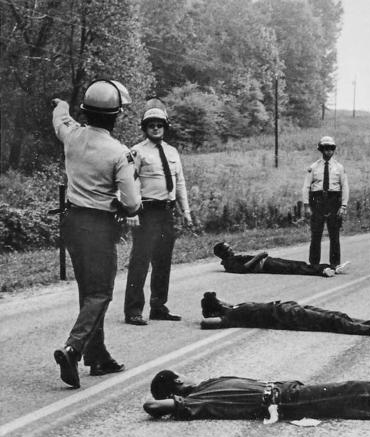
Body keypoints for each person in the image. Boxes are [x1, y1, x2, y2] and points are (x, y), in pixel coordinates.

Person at [51, 80, 141, 388]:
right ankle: (73, 348)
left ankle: (98, 356)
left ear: (86, 112)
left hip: (72, 223)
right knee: (101, 292)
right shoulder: (120, 153)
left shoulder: (71, 136)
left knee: (88, 291)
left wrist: (61, 106)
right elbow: (131, 204)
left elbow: (60, 121)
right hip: (100, 227)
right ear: (116, 116)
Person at [143, 369, 370, 424]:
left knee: (357, 409)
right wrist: (170, 402)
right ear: (177, 386)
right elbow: (152, 405)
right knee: (357, 390)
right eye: (179, 378)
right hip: (284, 400)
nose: (187, 377)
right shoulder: (196, 400)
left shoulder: (209, 384)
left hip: (288, 393)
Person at [123, 99, 192, 325]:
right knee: (140, 261)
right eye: (151, 125)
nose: (155, 128)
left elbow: (179, 183)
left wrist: (186, 211)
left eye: (159, 124)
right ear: (145, 128)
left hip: (166, 212)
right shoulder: (137, 152)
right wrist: (130, 211)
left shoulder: (172, 152)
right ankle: (133, 310)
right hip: (146, 211)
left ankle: (158, 306)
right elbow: (129, 183)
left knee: (163, 261)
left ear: (165, 127)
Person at [199, 291, 370, 337]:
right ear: (216, 309)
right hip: (287, 317)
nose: (222, 300)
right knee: (333, 321)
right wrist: (211, 316)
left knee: (337, 315)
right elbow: (205, 323)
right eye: (217, 302)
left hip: (288, 308)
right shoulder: (230, 317)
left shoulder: (234, 307)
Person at [302, 136, 349, 268]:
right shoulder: (314, 167)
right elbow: (306, 186)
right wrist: (306, 205)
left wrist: (343, 206)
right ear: (321, 150)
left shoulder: (339, 167)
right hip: (317, 202)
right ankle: (314, 264)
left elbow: (344, 186)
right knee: (316, 233)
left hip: (333, 201)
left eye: (331, 149)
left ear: (334, 150)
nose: (328, 152)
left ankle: (335, 263)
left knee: (334, 234)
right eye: (325, 149)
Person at [213, 242, 350, 277]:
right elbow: (243, 269)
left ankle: (329, 268)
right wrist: (258, 256)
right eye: (228, 249)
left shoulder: (230, 260)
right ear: (223, 253)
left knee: (296, 265)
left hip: (266, 262)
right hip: (265, 264)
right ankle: (326, 270)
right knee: (294, 268)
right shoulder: (229, 264)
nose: (231, 249)